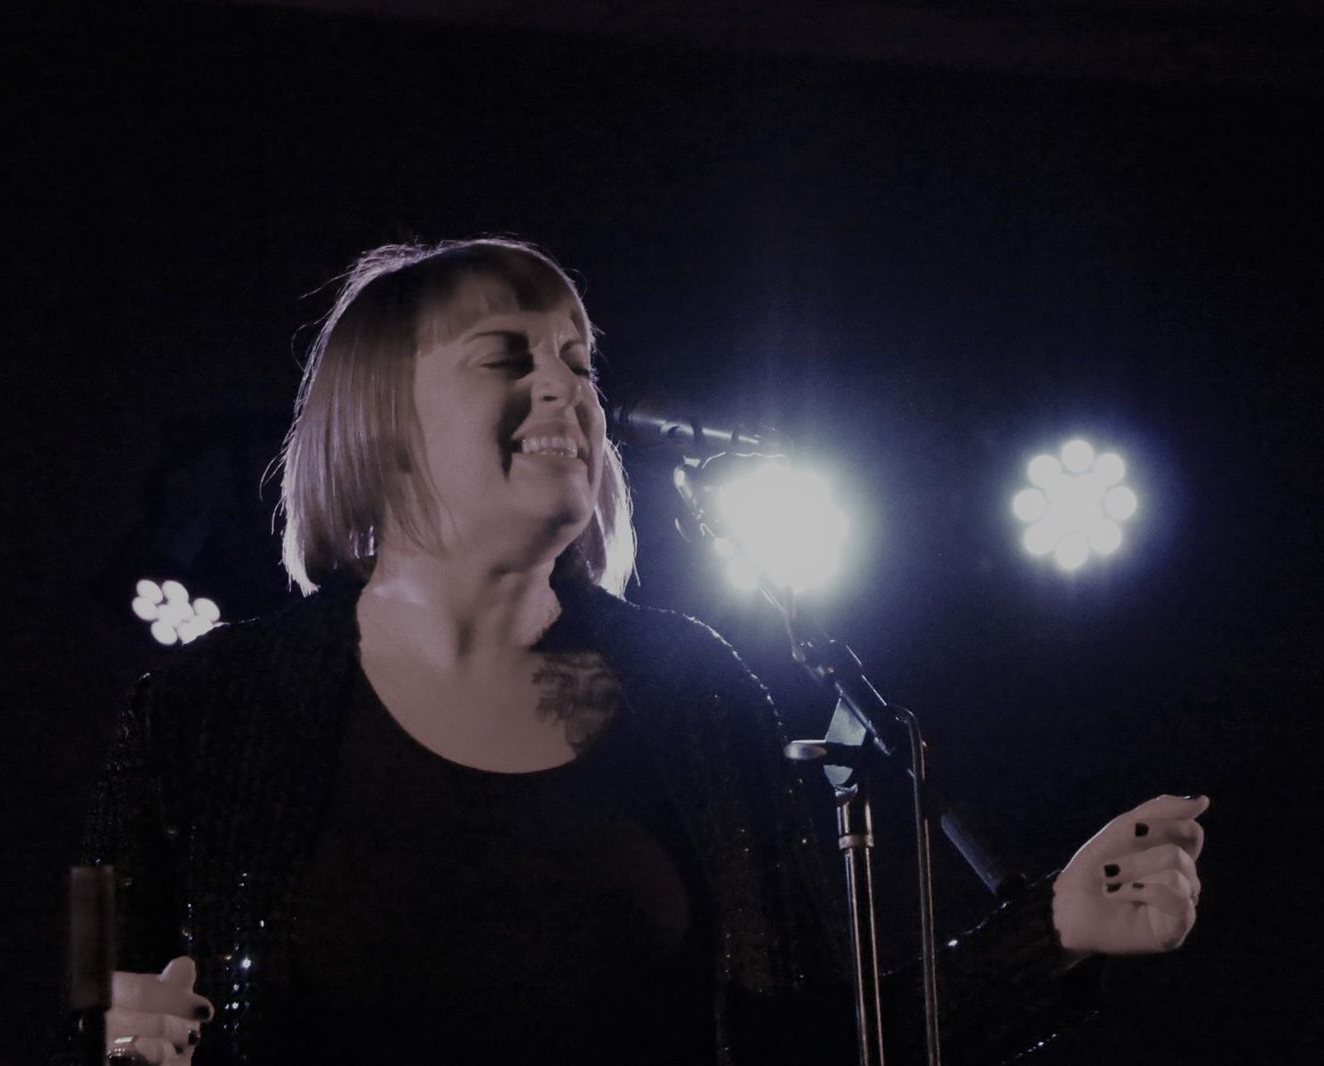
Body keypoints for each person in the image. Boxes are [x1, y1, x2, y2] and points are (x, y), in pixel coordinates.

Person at [82, 237, 1208, 1065]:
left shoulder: (691, 690)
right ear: (382, 423)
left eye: (578, 360)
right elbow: (92, 1001)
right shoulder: (207, 708)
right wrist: (105, 1035)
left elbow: (813, 1043)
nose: (564, 387)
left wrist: (1050, 932)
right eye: (505, 356)